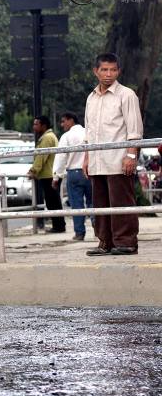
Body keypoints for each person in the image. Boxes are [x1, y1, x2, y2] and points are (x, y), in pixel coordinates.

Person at [83, 53, 143, 256]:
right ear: (96, 71)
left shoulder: (126, 95)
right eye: (104, 70)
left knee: (121, 201)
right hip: (96, 160)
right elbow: (89, 132)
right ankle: (105, 242)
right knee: (99, 203)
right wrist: (86, 157)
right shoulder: (91, 98)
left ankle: (126, 242)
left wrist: (131, 156)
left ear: (118, 71)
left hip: (119, 159)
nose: (109, 74)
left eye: (113, 70)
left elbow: (134, 130)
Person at [53, 112, 93, 241]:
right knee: (94, 202)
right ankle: (99, 231)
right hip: (90, 171)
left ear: (71, 120)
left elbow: (60, 157)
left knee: (77, 204)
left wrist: (56, 176)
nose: (62, 124)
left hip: (74, 173)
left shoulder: (67, 136)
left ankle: (79, 233)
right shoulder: (88, 132)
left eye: (64, 121)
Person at [28, 116, 66, 233]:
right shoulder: (49, 136)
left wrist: (33, 170)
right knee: (53, 201)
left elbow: (41, 156)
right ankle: (59, 225)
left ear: (43, 125)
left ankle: (58, 226)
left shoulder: (47, 138)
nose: (34, 127)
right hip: (50, 174)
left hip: (48, 175)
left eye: (36, 124)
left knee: (52, 202)